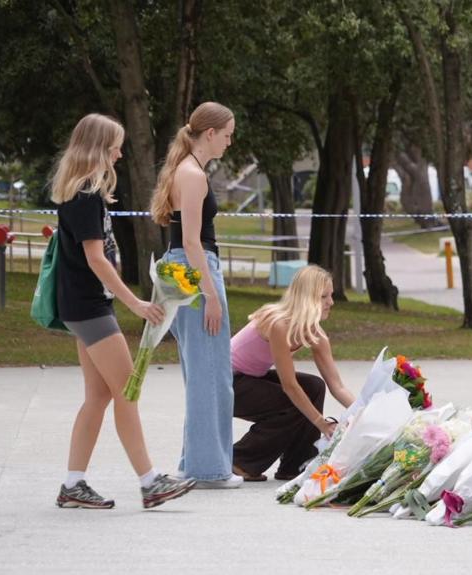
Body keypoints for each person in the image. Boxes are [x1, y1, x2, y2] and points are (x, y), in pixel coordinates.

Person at [52, 113, 195, 509]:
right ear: (99, 147)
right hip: (88, 305)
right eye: (115, 145)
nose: (119, 152)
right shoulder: (85, 195)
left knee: (99, 396)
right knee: (127, 390)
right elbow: (96, 259)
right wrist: (136, 303)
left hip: (83, 304)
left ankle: (73, 485)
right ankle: (150, 483)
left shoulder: (83, 192)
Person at [150, 102, 240, 488]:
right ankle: (208, 469)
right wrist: (211, 295)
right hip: (195, 270)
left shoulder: (186, 169)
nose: (229, 142)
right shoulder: (192, 174)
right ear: (210, 133)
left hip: (186, 269)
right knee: (211, 375)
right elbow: (190, 241)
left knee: (202, 371)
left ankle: (196, 462)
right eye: (227, 135)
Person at [230, 265, 355, 481]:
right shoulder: (278, 324)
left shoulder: (316, 334)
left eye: (331, 295)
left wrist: (365, 414)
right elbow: (289, 386)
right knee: (292, 401)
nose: (331, 302)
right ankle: (239, 461)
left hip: (249, 379)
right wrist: (321, 423)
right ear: (306, 298)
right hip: (224, 384)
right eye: (324, 296)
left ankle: (296, 464)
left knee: (314, 387)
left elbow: (338, 387)